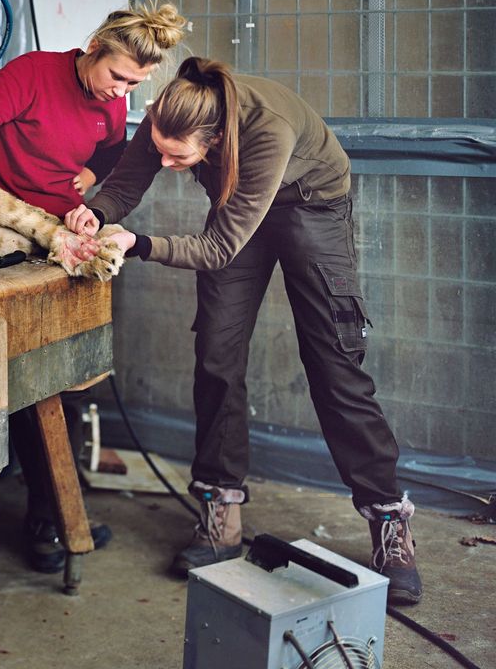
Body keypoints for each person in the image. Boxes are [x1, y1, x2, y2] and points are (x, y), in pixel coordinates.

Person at [65, 56, 423, 605]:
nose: (165, 162)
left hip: (312, 206)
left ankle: (388, 521)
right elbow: (127, 183)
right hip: (238, 207)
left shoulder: (265, 131)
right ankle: (219, 509)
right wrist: (97, 212)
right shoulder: (173, 113)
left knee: (333, 364)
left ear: (213, 139)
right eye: (160, 148)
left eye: (177, 157)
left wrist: (139, 244)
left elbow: (215, 250)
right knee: (216, 354)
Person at [0, 3, 187, 573]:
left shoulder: (113, 100)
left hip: (63, 239)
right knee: (18, 377)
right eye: (118, 76)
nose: (120, 90)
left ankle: (50, 512)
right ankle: (24, 514)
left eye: (134, 84)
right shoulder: (33, 73)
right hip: (5, 234)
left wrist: (94, 178)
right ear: (95, 46)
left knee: (68, 380)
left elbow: (113, 149)